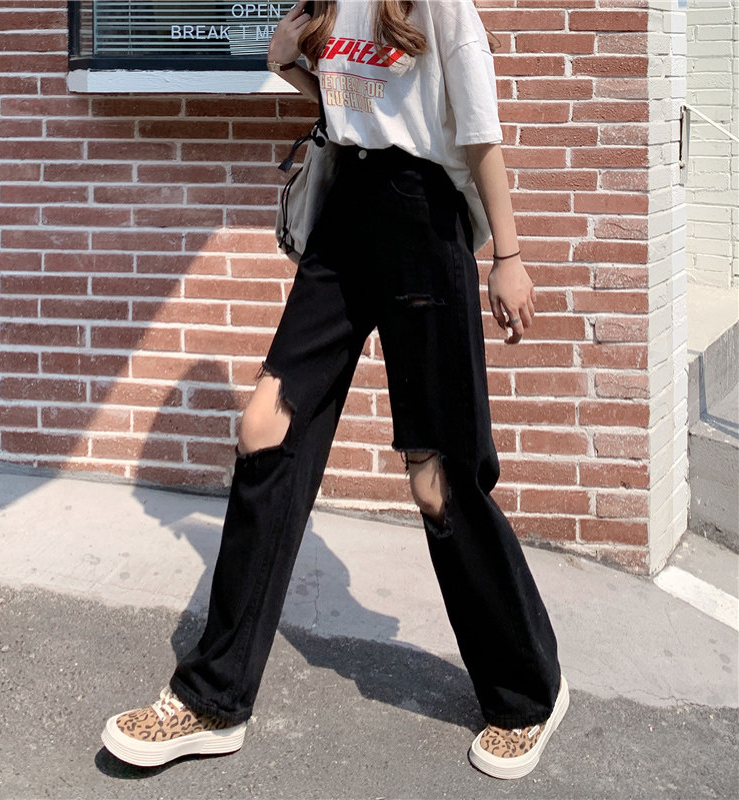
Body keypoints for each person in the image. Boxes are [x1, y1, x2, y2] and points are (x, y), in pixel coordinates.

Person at [101, 0, 568, 781]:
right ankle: (213, 699)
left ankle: (527, 692)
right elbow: (350, 107)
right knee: (264, 426)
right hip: (346, 219)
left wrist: (508, 256)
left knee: (439, 479)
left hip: (423, 220)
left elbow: (478, 128)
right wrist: (288, 63)